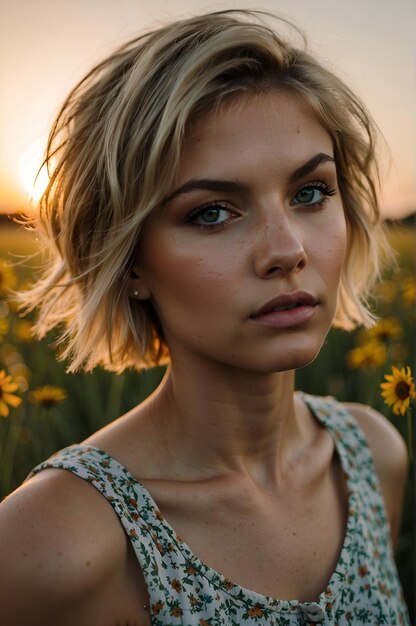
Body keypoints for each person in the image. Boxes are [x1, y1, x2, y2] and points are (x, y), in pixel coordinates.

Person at [0, 10, 410, 626]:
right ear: (129, 259)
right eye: (213, 212)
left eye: (311, 193)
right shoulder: (55, 544)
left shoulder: (373, 457)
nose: (287, 250)